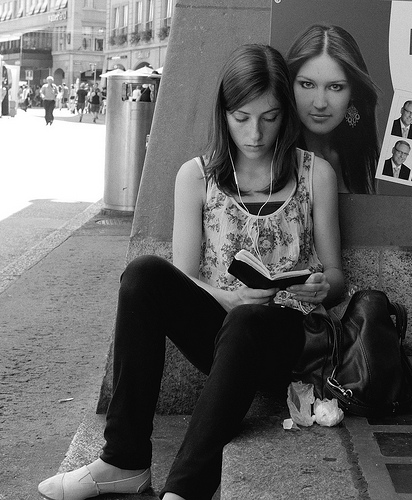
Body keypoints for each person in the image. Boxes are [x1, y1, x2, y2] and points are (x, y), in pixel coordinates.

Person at [38, 43, 344, 500]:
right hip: (223, 335)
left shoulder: (314, 173)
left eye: (269, 117)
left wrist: (322, 285)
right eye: (241, 118)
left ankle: (185, 490)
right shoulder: (195, 176)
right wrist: (230, 299)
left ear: (286, 115)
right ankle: (123, 459)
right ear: (223, 114)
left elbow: (339, 278)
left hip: (288, 341)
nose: (255, 133)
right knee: (143, 276)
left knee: (250, 320)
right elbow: (184, 280)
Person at [286, 24, 380, 194]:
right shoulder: (279, 160)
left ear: (354, 92)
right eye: (307, 84)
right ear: (290, 84)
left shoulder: (355, 150)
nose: (320, 103)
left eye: (335, 87)